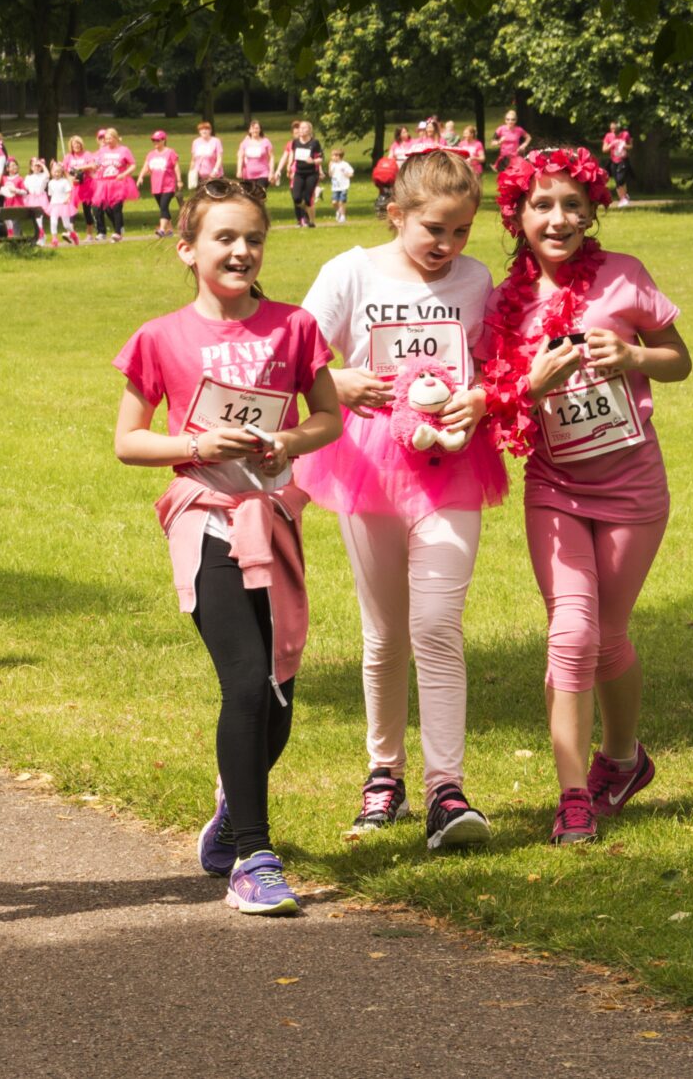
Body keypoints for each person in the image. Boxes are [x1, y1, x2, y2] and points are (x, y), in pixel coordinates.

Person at [110, 176, 343, 915]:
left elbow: (329, 417)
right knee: (245, 682)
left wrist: (287, 441)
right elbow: (127, 441)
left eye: (253, 239)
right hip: (205, 518)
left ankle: (227, 813)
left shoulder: (294, 326)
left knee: (278, 695)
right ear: (187, 250)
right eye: (224, 238)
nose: (241, 250)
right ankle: (254, 855)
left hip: (273, 518)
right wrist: (195, 442)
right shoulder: (161, 336)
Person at [477, 147, 690, 845]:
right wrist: (526, 387)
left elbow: (679, 359)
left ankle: (623, 761)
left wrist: (633, 357)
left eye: (572, 204)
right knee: (570, 632)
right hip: (556, 486)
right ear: (516, 215)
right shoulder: (500, 305)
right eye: (542, 205)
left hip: (632, 487)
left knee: (608, 637)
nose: (558, 218)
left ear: (594, 211)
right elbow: (495, 403)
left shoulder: (624, 278)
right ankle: (573, 794)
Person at [293, 150, 504, 849]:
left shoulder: (476, 282)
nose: (448, 246)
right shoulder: (350, 272)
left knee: (438, 625)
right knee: (384, 634)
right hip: (367, 468)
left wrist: (478, 397)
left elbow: (498, 364)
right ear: (397, 215)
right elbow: (296, 354)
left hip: (450, 468)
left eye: (462, 231)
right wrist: (339, 381)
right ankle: (384, 776)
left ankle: (448, 788)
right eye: (434, 229)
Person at [93, 127, 137, 242]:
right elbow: (96, 164)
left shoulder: (124, 150)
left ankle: (117, 233)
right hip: (104, 184)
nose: (107, 141)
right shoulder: (102, 151)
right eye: (106, 139)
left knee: (116, 207)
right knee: (107, 208)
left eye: (110, 138)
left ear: (116, 138)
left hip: (119, 182)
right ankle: (119, 227)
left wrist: (124, 174)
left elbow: (132, 165)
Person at [143, 130, 182, 238]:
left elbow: (176, 166)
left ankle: (161, 229)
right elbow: (146, 166)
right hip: (156, 185)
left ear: (163, 140)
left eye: (157, 140)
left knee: (164, 207)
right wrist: (141, 176)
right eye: (153, 140)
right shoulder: (151, 154)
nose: (155, 142)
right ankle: (170, 230)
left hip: (168, 185)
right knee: (163, 208)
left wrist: (179, 180)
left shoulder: (170, 152)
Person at [287, 120, 324, 229]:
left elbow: (321, 159)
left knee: (308, 198)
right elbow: (292, 155)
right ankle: (307, 210)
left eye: (304, 128)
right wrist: (289, 166)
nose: (301, 130)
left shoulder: (314, 143)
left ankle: (311, 221)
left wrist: (313, 161)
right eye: (300, 128)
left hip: (311, 174)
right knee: (296, 197)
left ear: (309, 130)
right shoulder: (295, 142)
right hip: (299, 173)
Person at [236, 120, 275, 193]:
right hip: (248, 174)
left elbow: (271, 157)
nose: (255, 130)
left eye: (257, 128)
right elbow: (240, 157)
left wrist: (271, 172)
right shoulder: (245, 143)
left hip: (263, 173)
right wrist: (239, 170)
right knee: (250, 195)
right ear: (250, 130)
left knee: (259, 193)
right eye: (253, 128)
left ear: (260, 130)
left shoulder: (266, 142)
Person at [601, 123, 634, 205]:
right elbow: (604, 149)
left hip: (623, 160)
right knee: (617, 181)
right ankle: (622, 199)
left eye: (615, 129)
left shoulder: (625, 134)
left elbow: (630, 146)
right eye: (612, 129)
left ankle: (625, 197)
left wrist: (624, 146)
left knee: (621, 179)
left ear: (619, 128)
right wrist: (611, 145)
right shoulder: (608, 136)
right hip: (613, 161)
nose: (613, 131)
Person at [188, 120, 224, 188]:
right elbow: (193, 160)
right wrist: (191, 172)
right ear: (199, 131)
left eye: (206, 129)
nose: (204, 131)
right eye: (201, 129)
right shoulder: (196, 142)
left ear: (210, 130)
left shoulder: (216, 141)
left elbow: (219, 158)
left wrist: (215, 170)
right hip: (200, 176)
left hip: (214, 176)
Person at [492, 110, 530, 175]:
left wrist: (524, 145)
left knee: (515, 177)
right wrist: (499, 141)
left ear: (516, 120)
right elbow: (492, 143)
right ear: (505, 120)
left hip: (515, 157)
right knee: (503, 177)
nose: (510, 121)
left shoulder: (519, 130)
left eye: (513, 120)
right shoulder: (501, 129)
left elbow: (528, 137)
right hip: (504, 159)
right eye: (508, 119)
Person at [328, 148, 355, 224]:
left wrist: (347, 174)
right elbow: (330, 175)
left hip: (343, 186)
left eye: (333, 156)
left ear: (338, 156)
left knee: (341, 202)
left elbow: (351, 173)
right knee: (334, 202)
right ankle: (338, 211)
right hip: (335, 186)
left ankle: (343, 216)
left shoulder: (345, 164)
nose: (332, 157)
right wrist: (329, 167)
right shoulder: (332, 164)